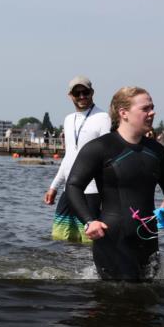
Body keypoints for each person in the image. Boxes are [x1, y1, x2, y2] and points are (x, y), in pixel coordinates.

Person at [67, 86, 164, 281]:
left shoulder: (156, 150)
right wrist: (89, 221)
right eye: (145, 108)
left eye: (152, 107)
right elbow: (73, 186)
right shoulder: (100, 147)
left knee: (149, 294)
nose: (152, 113)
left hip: (148, 239)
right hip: (112, 239)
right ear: (124, 113)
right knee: (116, 295)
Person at [44, 76, 112, 242]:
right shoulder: (68, 120)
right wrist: (54, 186)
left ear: (92, 92)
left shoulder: (103, 118)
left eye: (85, 92)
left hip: (92, 191)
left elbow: (107, 156)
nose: (82, 96)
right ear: (70, 96)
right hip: (69, 190)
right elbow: (69, 157)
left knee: (90, 241)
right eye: (77, 93)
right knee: (59, 238)